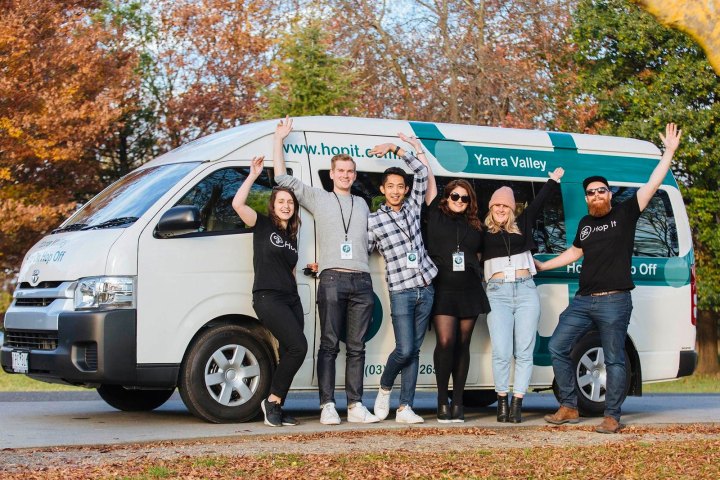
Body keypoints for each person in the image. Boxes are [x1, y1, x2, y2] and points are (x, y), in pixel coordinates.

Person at [537, 123, 681, 434]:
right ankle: (570, 406)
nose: (597, 195)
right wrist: (544, 266)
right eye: (591, 192)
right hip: (583, 301)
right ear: (587, 198)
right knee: (559, 346)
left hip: (615, 300)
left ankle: (612, 415)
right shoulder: (586, 224)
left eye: (602, 190)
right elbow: (574, 253)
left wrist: (668, 153)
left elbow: (652, 185)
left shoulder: (626, 213)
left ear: (609, 195)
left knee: (615, 358)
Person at [273, 116, 379, 425]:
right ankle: (328, 405)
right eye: (340, 171)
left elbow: (368, 241)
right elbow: (282, 178)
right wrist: (279, 139)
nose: (345, 175)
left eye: (350, 171)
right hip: (332, 279)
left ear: (354, 174)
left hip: (362, 280)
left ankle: (356, 405)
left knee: (357, 347)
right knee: (329, 345)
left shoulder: (363, 203)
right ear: (331, 174)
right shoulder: (319, 198)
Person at [482, 168, 565, 423]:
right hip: (498, 294)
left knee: (524, 351)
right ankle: (502, 403)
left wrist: (553, 180)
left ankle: (518, 402)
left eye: (504, 205)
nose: (500, 209)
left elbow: (539, 202)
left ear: (511, 208)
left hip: (526, 290)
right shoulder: (481, 233)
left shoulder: (524, 225)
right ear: (490, 207)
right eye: (496, 205)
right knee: (502, 351)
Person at [231, 156, 307, 427]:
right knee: (299, 347)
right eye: (281, 202)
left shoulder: (292, 236)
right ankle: (272, 401)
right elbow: (237, 204)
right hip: (267, 297)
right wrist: (253, 175)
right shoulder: (262, 225)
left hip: (290, 298)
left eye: (290, 202)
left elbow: (290, 270)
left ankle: (277, 406)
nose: (286, 206)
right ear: (273, 206)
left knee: (289, 351)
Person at [367, 134, 438, 424]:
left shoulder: (412, 207)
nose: (396, 191)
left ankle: (405, 407)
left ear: (405, 189)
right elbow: (361, 252)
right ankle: (385, 387)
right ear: (383, 190)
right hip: (401, 291)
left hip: (426, 286)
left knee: (415, 351)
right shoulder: (373, 220)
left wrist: (395, 149)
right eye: (390, 187)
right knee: (405, 348)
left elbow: (422, 171)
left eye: (400, 186)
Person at [425, 175, 491, 423]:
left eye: (465, 198)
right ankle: (442, 400)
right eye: (455, 196)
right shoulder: (435, 215)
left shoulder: (475, 225)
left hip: (470, 288)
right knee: (445, 341)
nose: (459, 200)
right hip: (443, 287)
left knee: (463, 344)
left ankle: (459, 402)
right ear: (447, 196)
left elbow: (485, 251)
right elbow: (429, 183)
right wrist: (417, 150)